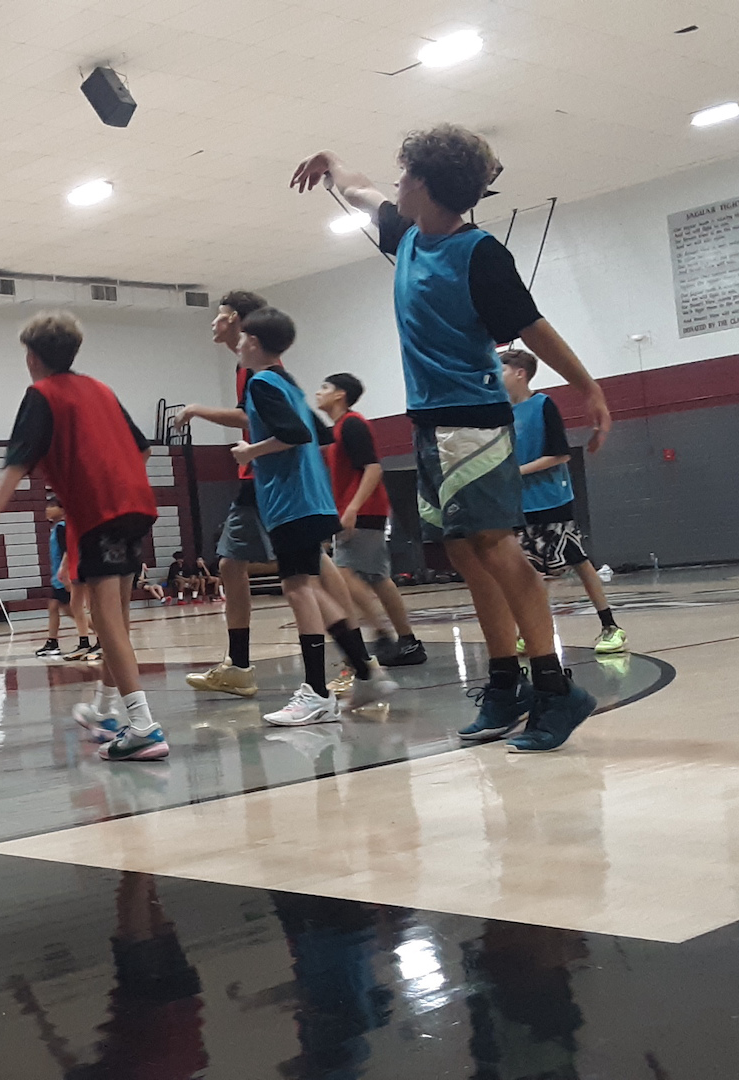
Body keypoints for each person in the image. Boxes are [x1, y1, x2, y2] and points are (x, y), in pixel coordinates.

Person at [292, 125, 612, 753]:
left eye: (405, 174)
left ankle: (554, 685)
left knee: (496, 549)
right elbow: (357, 190)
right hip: (430, 424)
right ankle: (504, 683)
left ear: (429, 186)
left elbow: (532, 327)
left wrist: (589, 388)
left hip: (473, 421)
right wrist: (331, 160)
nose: (395, 183)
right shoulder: (408, 234)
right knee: (464, 553)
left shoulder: (480, 254)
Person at [0, 312, 167, 761]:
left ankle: (144, 727)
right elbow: (142, 447)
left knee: (107, 623)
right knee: (116, 619)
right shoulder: (101, 389)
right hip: (135, 505)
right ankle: (103, 711)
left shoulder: (41, 395)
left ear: (33, 356)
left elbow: (16, 464)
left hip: (100, 511)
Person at [228, 308, 394, 725]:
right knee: (310, 586)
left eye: (242, 337)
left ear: (251, 342)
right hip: (313, 499)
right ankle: (364, 669)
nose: (238, 344)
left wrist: (250, 452)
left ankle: (317, 692)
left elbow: (296, 435)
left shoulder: (263, 382)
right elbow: (320, 434)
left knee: (298, 588)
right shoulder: (288, 384)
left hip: (292, 502)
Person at [176, 290, 274, 699]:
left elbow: (250, 416)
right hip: (260, 474)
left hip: (268, 474)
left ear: (235, 319)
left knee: (311, 574)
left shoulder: (259, 364)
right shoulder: (245, 363)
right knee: (232, 564)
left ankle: (360, 662)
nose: (212, 324)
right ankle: (238, 664)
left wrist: (197, 409)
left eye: (218, 317)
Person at [502, 349, 627, 654]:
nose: (495, 375)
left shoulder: (543, 405)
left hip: (551, 499)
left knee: (561, 565)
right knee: (546, 568)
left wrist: (515, 472)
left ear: (520, 373)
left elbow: (560, 454)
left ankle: (610, 627)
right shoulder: (501, 414)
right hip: (520, 504)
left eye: (501, 369)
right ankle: (530, 632)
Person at [314, 373, 427, 667]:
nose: (318, 392)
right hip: (361, 510)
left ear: (340, 394)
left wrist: (352, 508)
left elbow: (373, 468)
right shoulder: (338, 428)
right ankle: (408, 642)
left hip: (363, 510)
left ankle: (380, 632)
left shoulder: (352, 424)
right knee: (377, 577)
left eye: (324, 387)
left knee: (342, 574)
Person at [37, 500, 93, 657]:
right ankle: (53, 642)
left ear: (62, 510)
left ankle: (99, 636)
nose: (47, 510)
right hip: (60, 575)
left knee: (74, 609)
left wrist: (65, 572)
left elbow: (67, 551)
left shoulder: (62, 528)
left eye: (51, 506)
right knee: (57, 607)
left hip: (64, 576)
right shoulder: (56, 529)